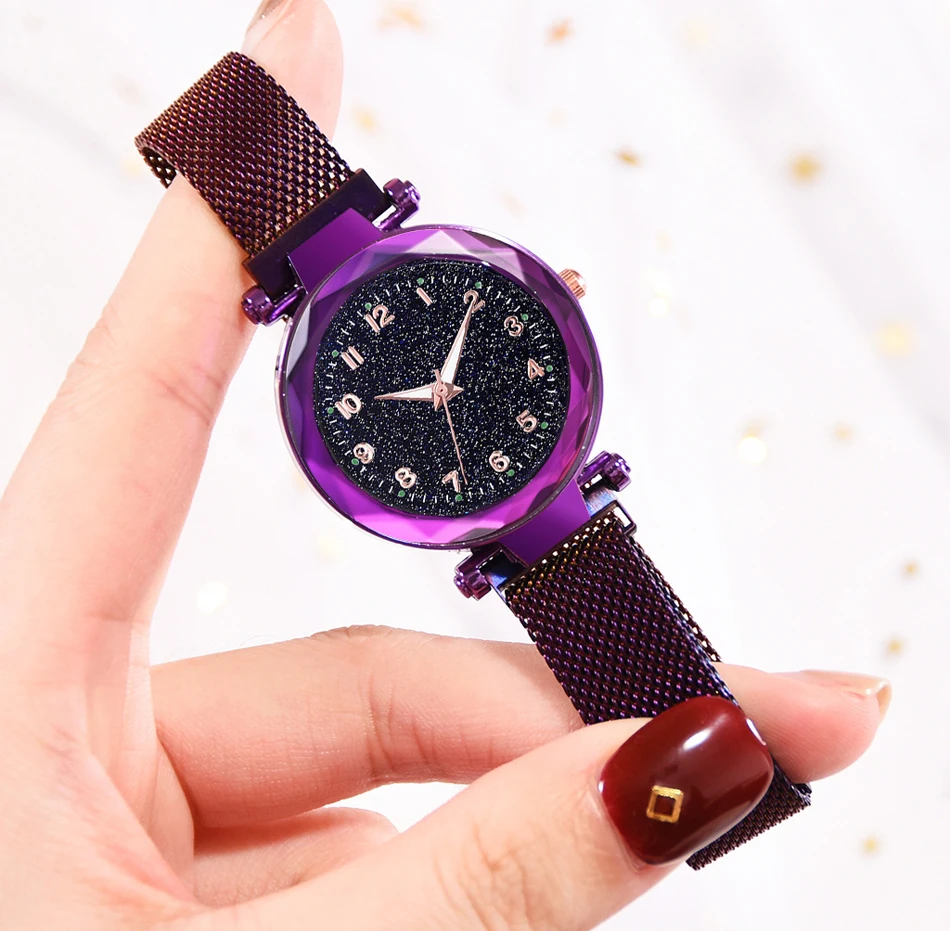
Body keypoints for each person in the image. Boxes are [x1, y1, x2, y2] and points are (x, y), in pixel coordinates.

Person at [0, 1, 888, 927]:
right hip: (539, 525)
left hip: (544, 515)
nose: (440, 393)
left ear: (553, 300)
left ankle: (732, 788)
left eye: (445, 380)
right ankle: (732, 789)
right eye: (430, 393)